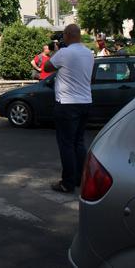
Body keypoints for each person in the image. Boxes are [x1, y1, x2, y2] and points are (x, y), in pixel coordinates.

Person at [43, 24, 94, 193]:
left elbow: (47, 67)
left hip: (67, 103)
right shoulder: (89, 53)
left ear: (67, 35)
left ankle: (67, 182)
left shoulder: (64, 53)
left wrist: (58, 50)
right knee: (79, 142)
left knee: (66, 145)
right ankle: (80, 178)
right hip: (85, 101)